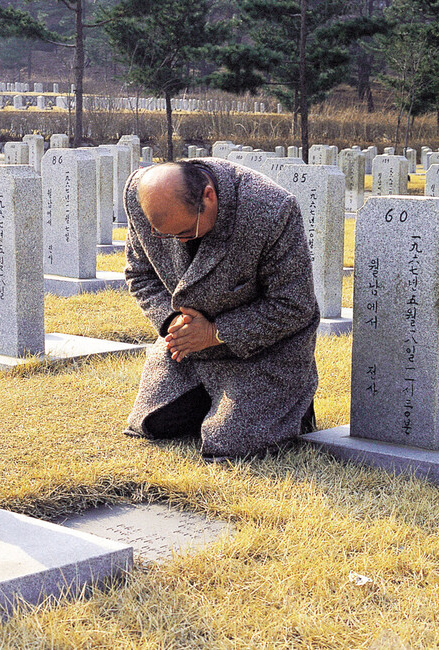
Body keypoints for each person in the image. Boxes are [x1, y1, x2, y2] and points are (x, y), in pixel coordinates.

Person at [122, 158, 319, 461]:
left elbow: (294, 305)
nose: (177, 241)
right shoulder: (141, 195)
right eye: (164, 234)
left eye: (186, 231)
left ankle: (293, 404)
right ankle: (218, 403)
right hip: (189, 349)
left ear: (209, 196)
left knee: (231, 444)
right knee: (155, 424)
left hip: (261, 350)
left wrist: (215, 332)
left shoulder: (270, 209)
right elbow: (140, 274)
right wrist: (174, 321)